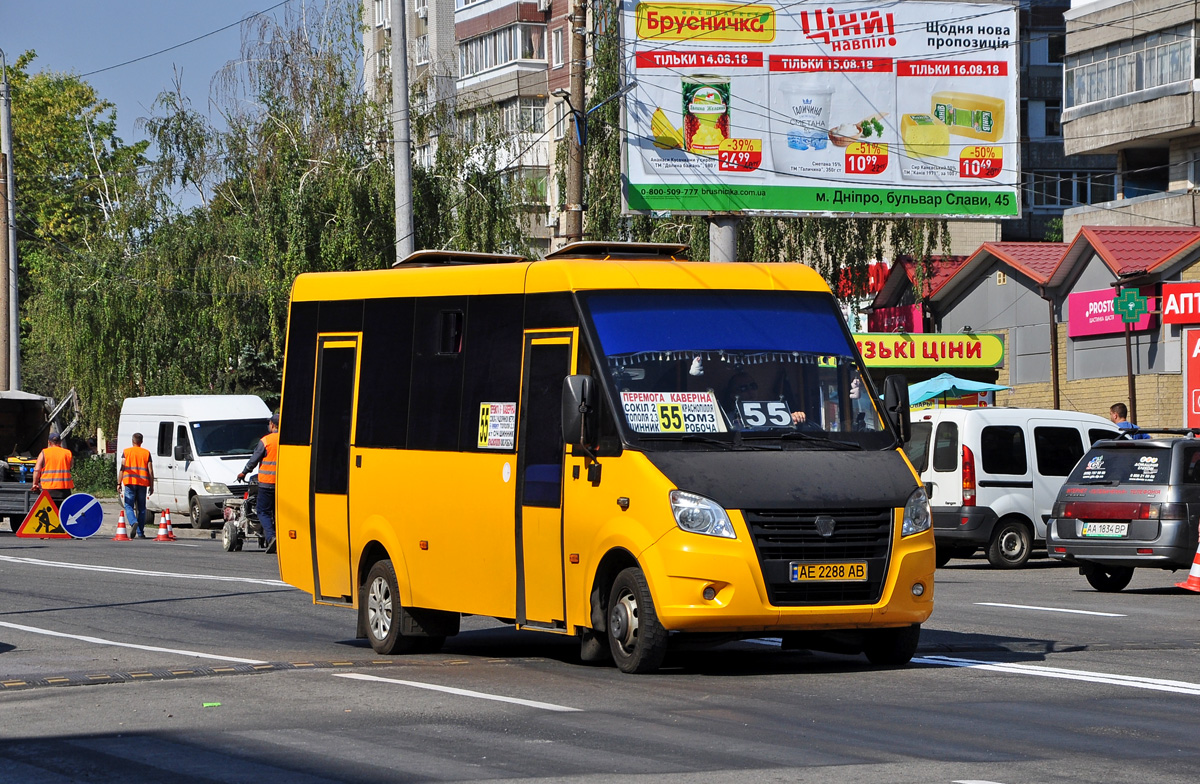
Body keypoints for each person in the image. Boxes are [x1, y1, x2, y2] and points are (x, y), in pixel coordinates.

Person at [238, 413, 279, 553]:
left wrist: (244, 472)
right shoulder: (288, 440)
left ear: (272, 425)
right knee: (279, 512)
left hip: (267, 484)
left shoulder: (266, 441)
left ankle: (272, 537)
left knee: (263, 511)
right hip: (284, 485)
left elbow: (254, 460)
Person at [118, 432, 155, 538]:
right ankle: (140, 532)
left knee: (128, 505)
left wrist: (118, 483)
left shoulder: (126, 452)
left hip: (129, 482)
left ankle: (133, 522)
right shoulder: (146, 453)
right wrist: (152, 486)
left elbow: (122, 468)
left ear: (132, 441)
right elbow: (150, 471)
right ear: (141, 442)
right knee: (142, 508)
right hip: (142, 483)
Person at [32, 431, 73, 507]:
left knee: (48, 515)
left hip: (48, 490)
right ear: (60, 442)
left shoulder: (44, 453)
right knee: (63, 515)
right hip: (64, 490)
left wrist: (35, 484)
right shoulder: (68, 453)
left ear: (49, 442)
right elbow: (70, 466)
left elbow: (37, 470)